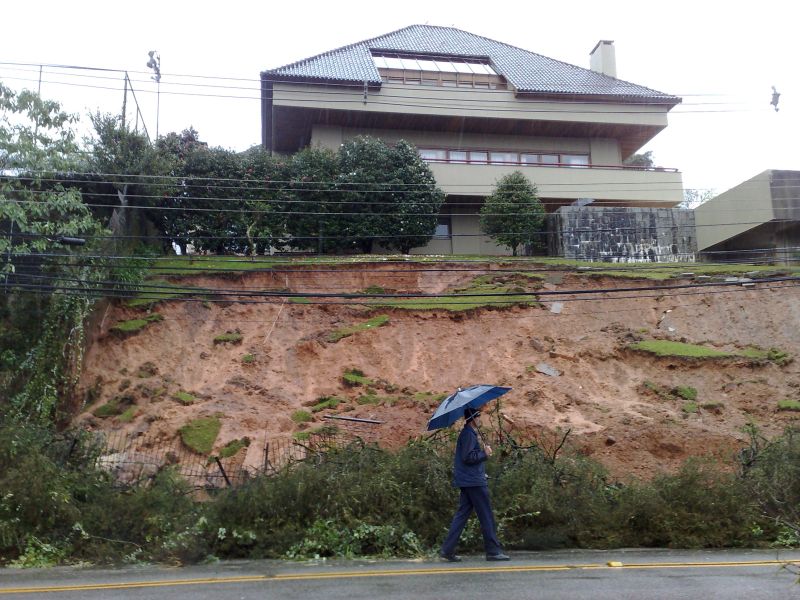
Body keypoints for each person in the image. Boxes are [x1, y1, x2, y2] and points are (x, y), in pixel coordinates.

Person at [440, 406, 510, 562]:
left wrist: (480, 468)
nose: (480, 419)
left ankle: (447, 550)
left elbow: (468, 459)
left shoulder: (469, 434)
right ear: (473, 418)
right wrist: (484, 454)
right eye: (478, 417)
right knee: (486, 514)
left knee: (462, 515)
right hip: (474, 483)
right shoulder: (468, 434)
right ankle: (493, 551)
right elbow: (468, 457)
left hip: (469, 480)